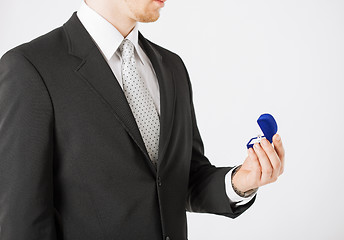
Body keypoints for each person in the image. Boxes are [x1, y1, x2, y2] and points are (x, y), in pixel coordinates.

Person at [0, 0, 285, 239]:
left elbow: (181, 181)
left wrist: (240, 181)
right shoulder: (30, 68)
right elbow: (22, 221)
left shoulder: (171, 67)